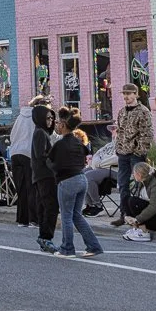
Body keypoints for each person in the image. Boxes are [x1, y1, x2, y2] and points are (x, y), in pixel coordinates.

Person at [49, 106, 103, 257]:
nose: (57, 125)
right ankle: (93, 246)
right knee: (76, 215)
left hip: (67, 181)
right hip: (81, 179)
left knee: (66, 216)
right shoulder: (78, 142)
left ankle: (67, 248)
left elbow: (51, 162)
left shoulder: (60, 144)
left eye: (59, 123)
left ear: (64, 125)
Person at [111, 83, 153, 228]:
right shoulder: (122, 111)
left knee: (138, 185)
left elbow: (147, 134)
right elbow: (120, 131)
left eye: (129, 94)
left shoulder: (143, 111)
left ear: (136, 94)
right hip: (123, 153)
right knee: (123, 185)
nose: (126, 96)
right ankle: (124, 214)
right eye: (124, 94)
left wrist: (139, 151)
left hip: (135, 154)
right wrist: (118, 148)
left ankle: (138, 216)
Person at [11, 96, 49, 227]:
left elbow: (12, 135)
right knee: (32, 188)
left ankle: (22, 219)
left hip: (15, 153)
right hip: (29, 154)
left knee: (21, 189)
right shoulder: (37, 118)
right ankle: (34, 219)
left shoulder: (20, 116)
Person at [31, 104, 59, 253]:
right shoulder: (40, 133)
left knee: (44, 206)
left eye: (52, 118)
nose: (50, 120)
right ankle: (46, 236)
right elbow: (41, 155)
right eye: (47, 118)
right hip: (45, 175)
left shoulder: (42, 133)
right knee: (51, 206)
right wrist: (56, 164)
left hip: (42, 175)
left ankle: (44, 236)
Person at [83, 140, 117, 217]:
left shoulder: (123, 144)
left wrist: (99, 163)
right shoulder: (109, 144)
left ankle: (98, 206)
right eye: (111, 129)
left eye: (114, 128)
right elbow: (96, 155)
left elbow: (116, 159)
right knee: (80, 175)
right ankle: (89, 204)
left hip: (114, 170)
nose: (113, 131)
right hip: (101, 167)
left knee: (88, 176)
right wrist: (97, 162)